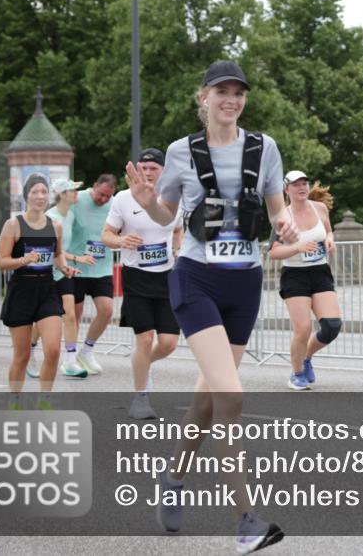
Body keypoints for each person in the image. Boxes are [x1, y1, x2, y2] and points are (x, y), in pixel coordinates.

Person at [126, 60, 296, 552]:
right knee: (230, 395)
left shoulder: (264, 148)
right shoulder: (182, 151)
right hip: (196, 278)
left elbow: (275, 207)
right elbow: (167, 211)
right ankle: (246, 522)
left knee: (206, 402)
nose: (232, 99)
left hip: (244, 284)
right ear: (203, 97)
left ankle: (173, 477)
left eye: (239, 92)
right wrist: (147, 200)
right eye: (222, 90)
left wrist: (284, 224)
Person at [103, 148, 182, 419]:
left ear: (164, 171)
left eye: (153, 169)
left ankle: (141, 365)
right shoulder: (123, 199)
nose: (147, 173)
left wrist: (177, 249)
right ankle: (141, 397)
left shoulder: (173, 198)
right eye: (143, 168)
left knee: (170, 342)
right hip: (136, 276)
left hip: (167, 277)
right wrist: (121, 241)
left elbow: (178, 227)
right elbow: (106, 235)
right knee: (145, 338)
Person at [0, 173, 78, 409]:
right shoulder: (13, 225)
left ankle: (44, 400)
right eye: (35, 192)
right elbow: (1, 261)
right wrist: (23, 259)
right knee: (22, 356)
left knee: (53, 350)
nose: (40, 196)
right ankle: (14, 400)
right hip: (21, 290)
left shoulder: (56, 226)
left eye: (44, 192)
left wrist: (64, 266)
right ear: (27, 196)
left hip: (46, 289)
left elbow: (57, 254)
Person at [269, 171, 339, 390]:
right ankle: (297, 374)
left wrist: (329, 240)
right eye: (296, 184)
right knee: (303, 328)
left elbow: (328, 231)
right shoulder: (282, 218)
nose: (301, 187)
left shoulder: (320, 209)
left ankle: (306, 357)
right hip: (295, 275)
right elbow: (274, 252)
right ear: (286, 190)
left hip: (320, 271)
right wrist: (297, 247)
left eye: (304, 183)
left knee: (332, 326)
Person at [39, 179, 90, 379]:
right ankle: (31, 351)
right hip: (46, 274)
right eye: (73, 191)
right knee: (42, 320)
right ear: (62, 194)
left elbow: (64, 250)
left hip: (63, 272)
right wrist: (77, 258)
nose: (77, 193)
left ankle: (69, 361)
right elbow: (53, 250)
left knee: (69, 315)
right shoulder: (50, 218)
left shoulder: (69, 215)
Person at [69, 174, 117, 374]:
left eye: (108, 196)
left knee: (107, 310)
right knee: (75, 316)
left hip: (101, 267)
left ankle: (87, 351)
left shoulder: (115, 204)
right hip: (77, 266)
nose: (104, 199)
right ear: (94, 185)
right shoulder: (76, 199)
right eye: (101, 194)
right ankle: (69, 357)